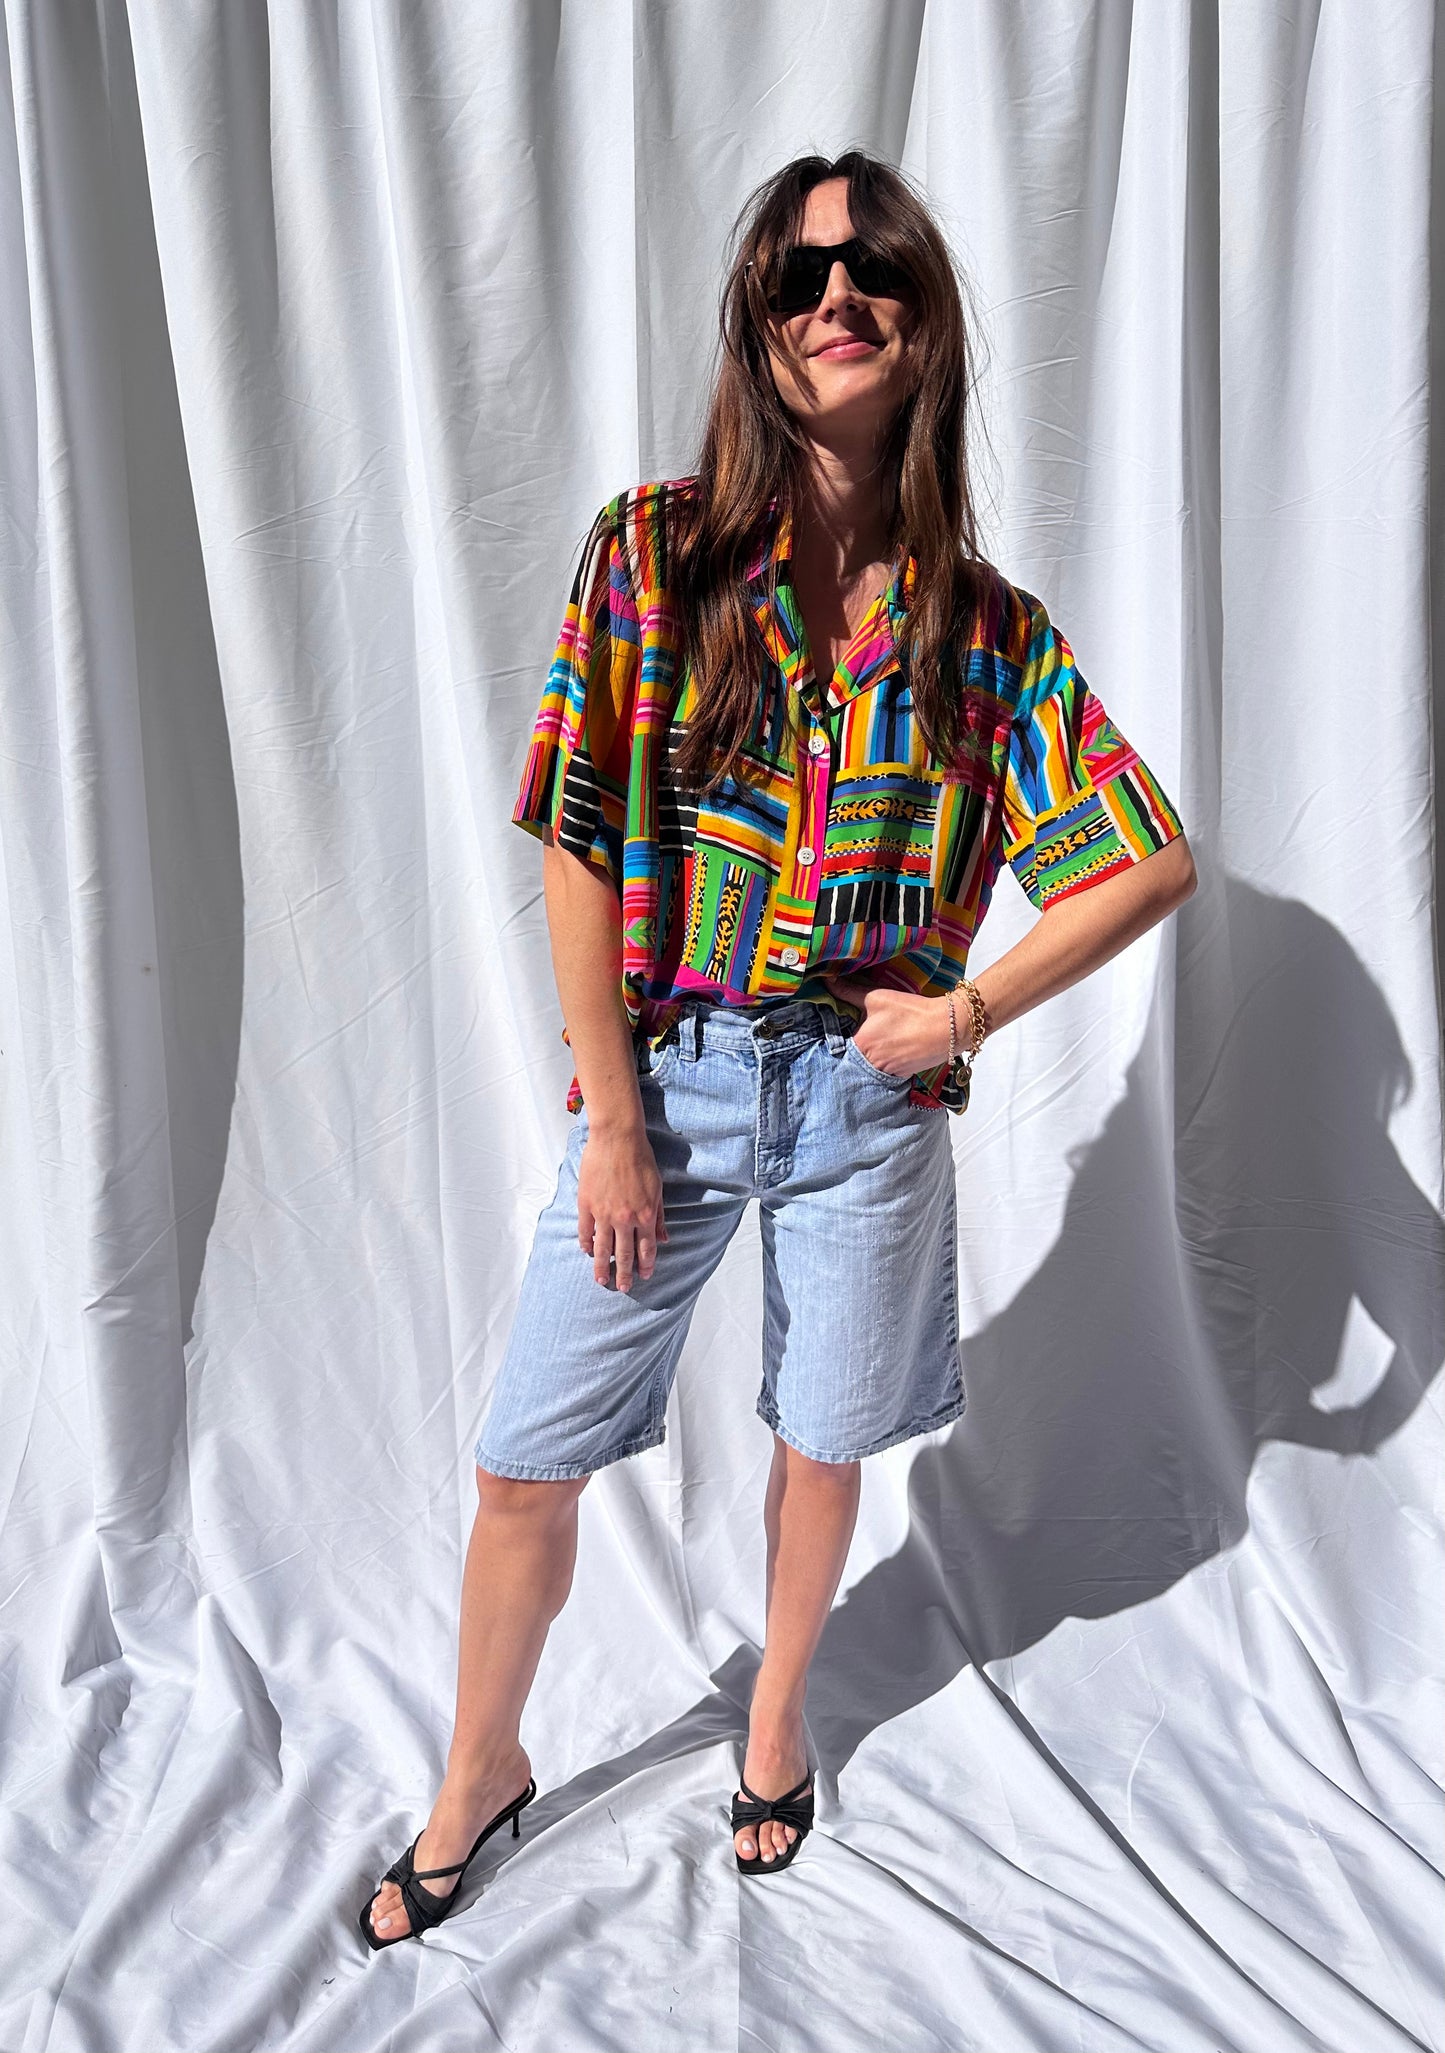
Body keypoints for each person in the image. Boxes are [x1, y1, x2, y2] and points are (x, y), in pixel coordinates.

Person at [360, 148, 1196, 1948]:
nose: (837, 300)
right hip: (661, 1076)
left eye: (873, 271)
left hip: (865, 1099)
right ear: (756, 318)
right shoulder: (656, 552)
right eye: (802, 274)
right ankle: (475, 1773)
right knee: (528, 1451)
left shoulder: (980, 631)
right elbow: (583, 831)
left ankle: (774, 1717)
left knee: (821, 1443)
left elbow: (1148, 855)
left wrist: (962, 1010)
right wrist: (604, 1114)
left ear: (923, 324)